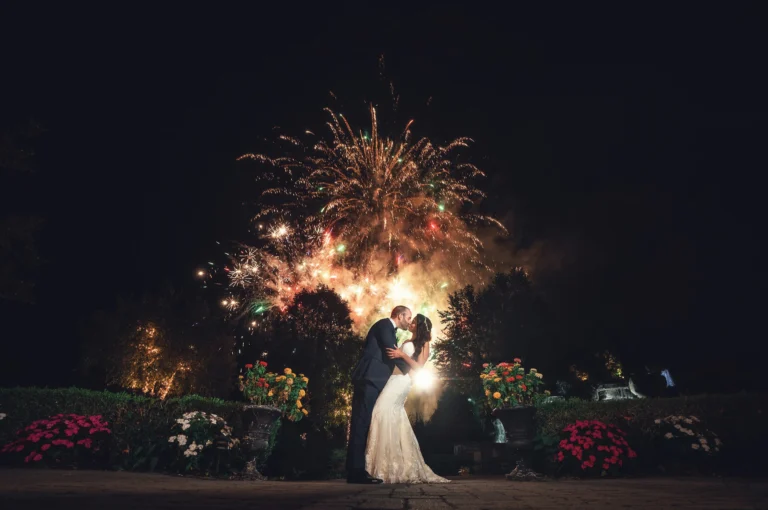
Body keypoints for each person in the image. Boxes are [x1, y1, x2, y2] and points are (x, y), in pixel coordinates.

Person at [366, 313, 449, 484]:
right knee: (391, 415)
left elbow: (419, 367)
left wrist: (402, 355)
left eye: (414, 321)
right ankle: (389, 464)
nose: (410, 323)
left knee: (381, 411)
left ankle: (387, 465)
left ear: (420, 326)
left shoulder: (425, 343)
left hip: (403, 382)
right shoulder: (406, 342)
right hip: (393, 379)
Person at [346, 306, 413, 484]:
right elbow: (391, 352)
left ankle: (355, 470)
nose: (409, 321)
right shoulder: (385, 325)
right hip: (369, 378)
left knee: (363, 423)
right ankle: (356, 472)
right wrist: (411, 367)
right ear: (400, 316)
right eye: (408, 317)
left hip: (372, 379)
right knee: (361, 423)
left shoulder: (389, 328)